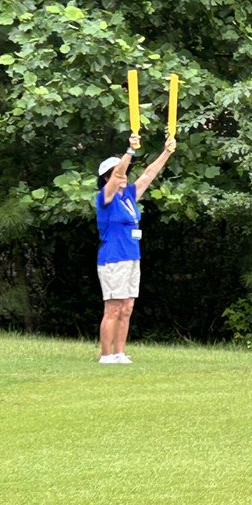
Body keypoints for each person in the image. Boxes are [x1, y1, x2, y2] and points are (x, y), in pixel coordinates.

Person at [95, 133, 176, 364]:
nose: (122, 176)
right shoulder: (105, 197)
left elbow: (149, 174)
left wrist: (167, 152)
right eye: (115, 173)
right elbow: (120, 173)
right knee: (113, 307)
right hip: (113, 258)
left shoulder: (129, 195)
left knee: (128, 306)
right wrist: (130, 151)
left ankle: (119, 352)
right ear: (107, 177)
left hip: (132, 257)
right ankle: (106, 355)